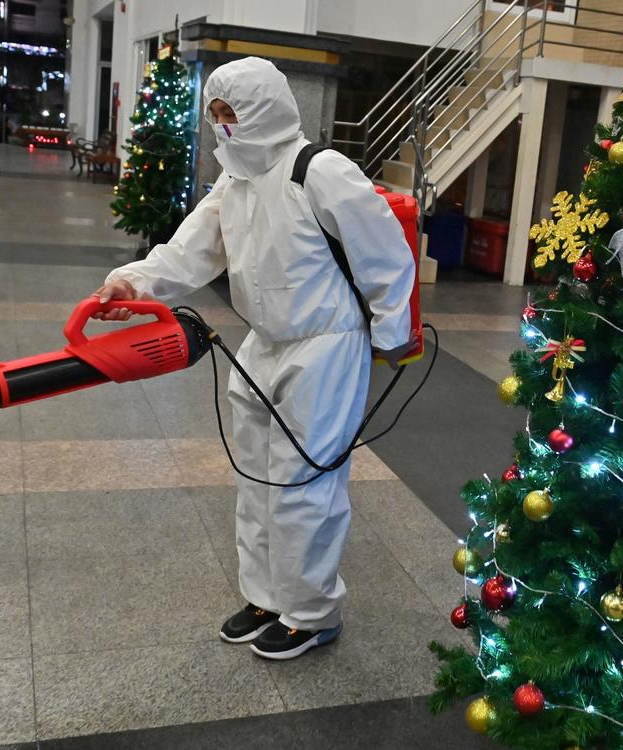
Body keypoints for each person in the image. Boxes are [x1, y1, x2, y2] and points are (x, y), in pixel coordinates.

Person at [94, 57, 416, 661]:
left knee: (305, 484)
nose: (224, 125)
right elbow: (187, 252)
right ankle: (268, 595)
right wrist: (132, 284)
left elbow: (387, 255)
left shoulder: (319, 170)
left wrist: (390, 334)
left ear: (265, 106)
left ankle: (312, 612)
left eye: (233, 112)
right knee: (257, 478)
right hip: (263, 343)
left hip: (325, 345)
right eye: (216, 114)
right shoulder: (235, 182)